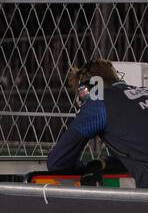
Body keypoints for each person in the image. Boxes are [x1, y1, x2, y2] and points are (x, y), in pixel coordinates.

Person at [47, 58, 148, 187]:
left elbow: (57, 162)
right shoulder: (143, 92)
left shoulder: (98, 102)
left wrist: (84, 168)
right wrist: (99, 164)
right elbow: (133, 154)